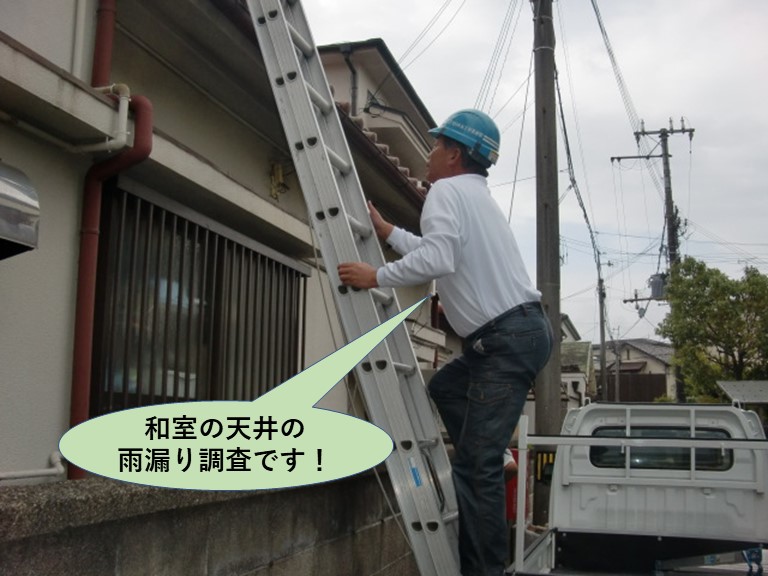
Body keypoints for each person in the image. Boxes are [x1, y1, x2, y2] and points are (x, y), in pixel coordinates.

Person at [337, 108, 553, 576]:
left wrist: (377, 275)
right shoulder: (473, 196)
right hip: (513, 335)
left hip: (503, 340)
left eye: (436, 145)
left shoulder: (445, 192)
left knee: (475, 471)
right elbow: (444, 253)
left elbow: (438, 257)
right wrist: (389, 234)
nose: (430, 153)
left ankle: (485, 569)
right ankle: (495, 452)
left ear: (454, 155)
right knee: (446, 389)